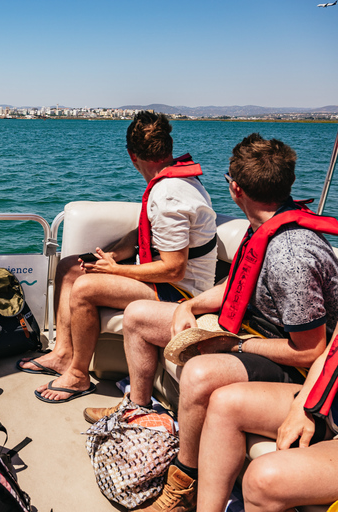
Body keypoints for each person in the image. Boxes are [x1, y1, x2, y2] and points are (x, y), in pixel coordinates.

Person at [84, 133, 338, 512]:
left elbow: (312, 350)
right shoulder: (265, 227)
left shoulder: (291, 256)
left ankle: (183, 482)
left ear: (235, 189)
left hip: (287, 358)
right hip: (250, 328)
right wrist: (194, 306)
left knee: (201, 373)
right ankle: (138, 413)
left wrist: (233, 345)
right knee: (138, 316)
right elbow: (239, 285)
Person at [19, 111, 217, 403]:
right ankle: (62, 353)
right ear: (168, 149)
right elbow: (143, 233)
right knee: (70, 267)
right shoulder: (169, 183)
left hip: (182, 292)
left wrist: (115, 270)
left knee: (85, 288)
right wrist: (111, 256)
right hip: (162, 280)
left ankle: (78, 375)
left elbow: (174, 269)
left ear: (131, 154)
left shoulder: (170, 197)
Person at [197, 331, 338, 512]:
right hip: (329, 408)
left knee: (262, 479)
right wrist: (302, 407)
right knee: (225, 403)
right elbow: (331, 354)